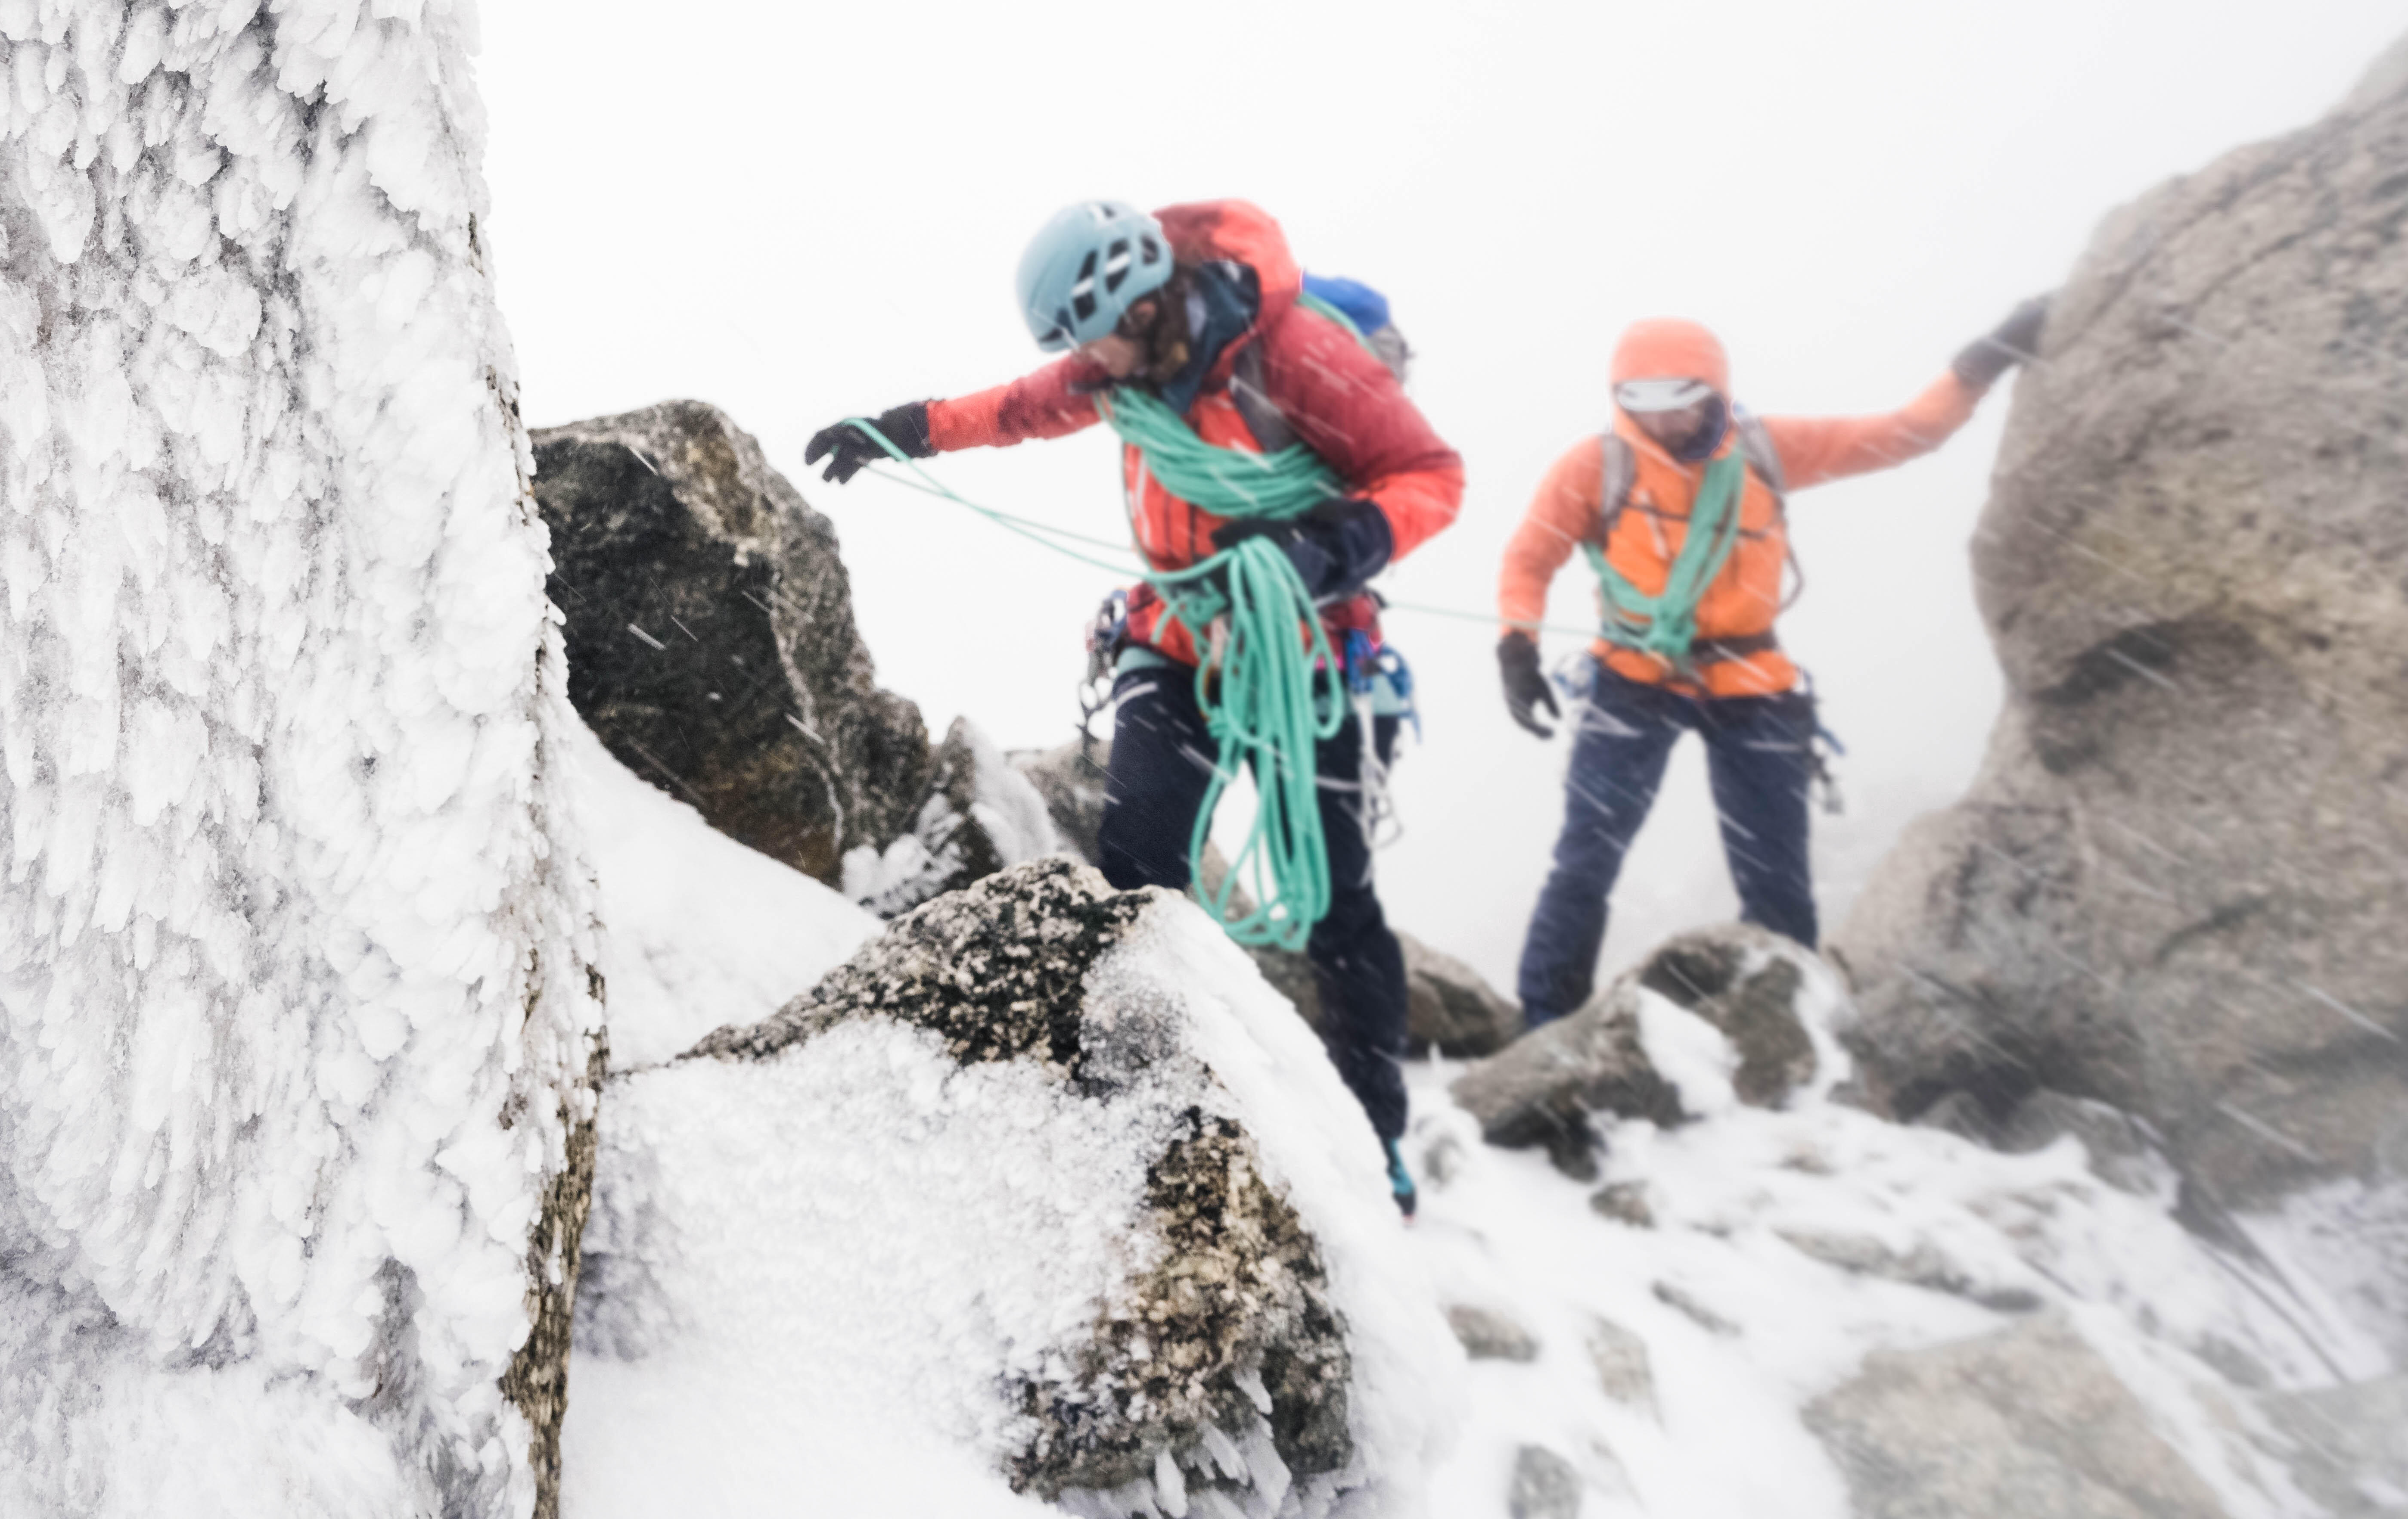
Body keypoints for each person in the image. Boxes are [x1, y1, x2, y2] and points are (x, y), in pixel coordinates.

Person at [806, 200, 1465, 1209]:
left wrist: (1329, 550)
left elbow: (1430, 473)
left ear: (1146, 298)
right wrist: (905, 432)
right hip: (1179, 635)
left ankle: (1373, 1142)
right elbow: (1019, 407)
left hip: (1314, 649)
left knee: (1336, 908)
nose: (1093, 366)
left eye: (1099, 338)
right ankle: (1133, 1093)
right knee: (1139, 868)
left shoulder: (1293, 356)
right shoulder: (1120, 369)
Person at [1494, 301, 2052, 1026]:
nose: (1661, 419)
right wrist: (1517, 646)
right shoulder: (1597, 467)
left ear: (1715, 392)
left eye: (1680, 398)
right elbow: (1529, 557)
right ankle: (1545, 1026)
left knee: (1776, 880)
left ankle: (1788, 1034)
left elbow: (1907, 434)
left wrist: (1982, 361)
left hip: (1753, 684)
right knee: (1586, 863)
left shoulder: (1766, 450)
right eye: (1639, 400)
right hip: (1634, 680)